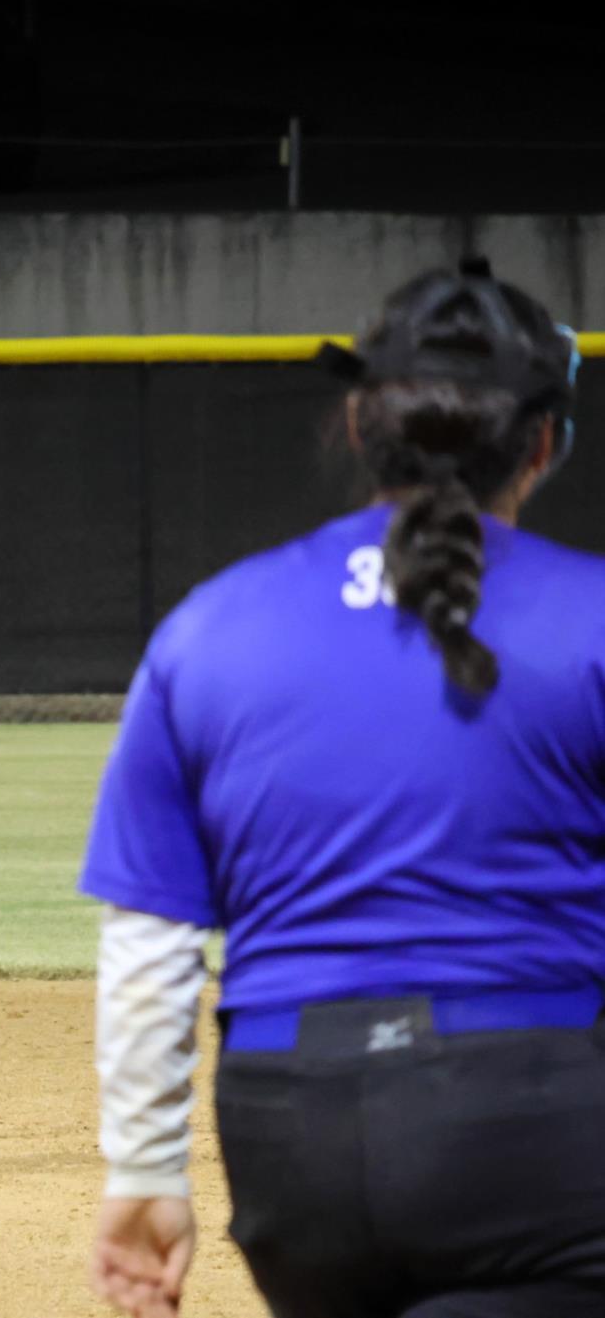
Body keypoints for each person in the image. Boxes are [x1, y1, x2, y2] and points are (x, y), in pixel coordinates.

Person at [78, 258, 604, 1317]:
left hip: (290, 1145)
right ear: (542, 443)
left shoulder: (208, 627)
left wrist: (143, 1175)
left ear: (360, 424)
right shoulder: (588, 615)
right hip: (532, 1128)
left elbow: (147, 945)